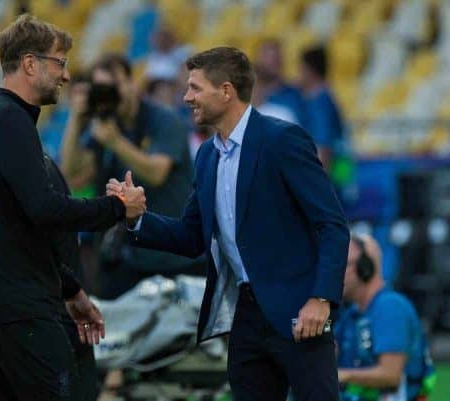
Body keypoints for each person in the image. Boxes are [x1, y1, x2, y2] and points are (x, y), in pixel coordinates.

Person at [109, 46, 350, 401]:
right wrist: (137, 219)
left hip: (301, 312)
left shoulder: (282, 139)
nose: (186, 97)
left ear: (226, 91)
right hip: (246, 316)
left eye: (194, 88)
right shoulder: (207, 155)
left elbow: (332, 224)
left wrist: (321, 298)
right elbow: (191, 236)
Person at [0, 14, 145, 401]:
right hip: (21, 309)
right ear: (30, 64)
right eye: (59, 62)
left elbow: (23, 229)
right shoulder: (9, 120)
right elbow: (45, 210)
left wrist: (73, 290)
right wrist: (116, 208)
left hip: (2, 307)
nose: (65, 75)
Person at [61, 53, 196, 300]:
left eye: (115, 85)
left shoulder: (163, 119)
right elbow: (73, 175)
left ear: (131, 84)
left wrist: (114, 141)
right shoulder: (105, 125)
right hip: (131, 257)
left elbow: (157, 173)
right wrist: (76, 120)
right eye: (102, 88)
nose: (111, 94)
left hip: (176, 257)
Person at [336, 234, 436, 401]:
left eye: (343, 265)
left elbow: (390, 374)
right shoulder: (351, 314)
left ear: (365, 267)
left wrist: (340, 375)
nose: (335, 274)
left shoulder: (389, 306)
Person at [299, 46, 345, 172]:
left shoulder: (320, 103)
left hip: (332, 171)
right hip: (340, 167)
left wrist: (316, 183)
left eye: (301, 69)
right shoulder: (325, 98)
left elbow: (324, 147)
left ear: (310, 71)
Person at [252, 39, 308, 127]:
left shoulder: (296, 95)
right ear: (258, 59)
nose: (272, 61)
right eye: (268, 57)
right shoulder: (249, 99)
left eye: (276, 57)